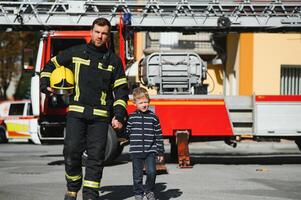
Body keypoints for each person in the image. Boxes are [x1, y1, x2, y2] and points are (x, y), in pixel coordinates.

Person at [40, 18, 129, 200]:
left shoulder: (114, 61)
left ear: (108, 36)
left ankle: (90, 195)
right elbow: (50, 65)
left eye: (104, 33)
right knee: (71, 152)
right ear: (91, 31)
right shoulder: (76, 53)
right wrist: (45, 84)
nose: (100, 36)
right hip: (76, 114)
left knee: (96, 158)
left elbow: (121, 92)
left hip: (100, 118)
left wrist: (119, 115)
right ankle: (72, 189)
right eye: (97, 32)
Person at [126, 87, 165, 200]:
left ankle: (149, 190)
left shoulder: (153, 117)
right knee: (137, 176)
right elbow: (126, 133)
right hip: (136, 151)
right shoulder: (131, 118)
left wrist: (160, 152)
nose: (144, 105)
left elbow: (158, 135)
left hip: (150, 151)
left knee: (152, 173)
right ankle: (138, 193)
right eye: (141, 102)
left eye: (146, 102)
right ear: (135, 104)